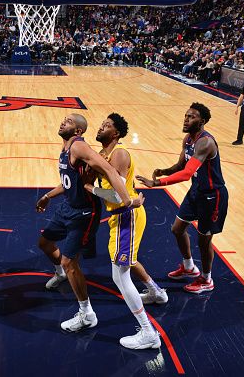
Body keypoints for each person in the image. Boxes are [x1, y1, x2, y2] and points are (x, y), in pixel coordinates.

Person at [35, 113, 144, 333]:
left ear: (78, 131)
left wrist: (127, 199)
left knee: (69, 261)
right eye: (63, 119)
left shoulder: (78, 147)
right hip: (68, 207)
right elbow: (67, 183)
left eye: (69, 121)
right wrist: (47, 196)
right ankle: (61, 274)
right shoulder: (66, 148)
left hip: (85, 213)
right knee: (45, 244)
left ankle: (87, 314)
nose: (63, 121)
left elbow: (110, 171)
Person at [84, 113, 164, 349]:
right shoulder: (103, 155)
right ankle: (157, 293)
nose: (100, 127)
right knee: (129, 261)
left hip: (126, 215)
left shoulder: (119, 153)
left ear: (116, 133)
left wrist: (91, 188)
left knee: (119, 275)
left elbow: (120, 197)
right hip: (122, 217)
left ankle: (148, 333)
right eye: (101, 124)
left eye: (106, 126)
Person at [136, 103, 228, 294]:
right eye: (186, 115)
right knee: (177, 229)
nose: (186, 119)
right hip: (196, 191)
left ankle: (206, 279)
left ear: (202, 121)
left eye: (191, 117)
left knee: (204, 240)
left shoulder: (205, 142)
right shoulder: (188, 139)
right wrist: (165, 171)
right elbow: (181, 164)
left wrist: (158, 183)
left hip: (213, 196)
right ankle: (188, 266)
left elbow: (186, 173)